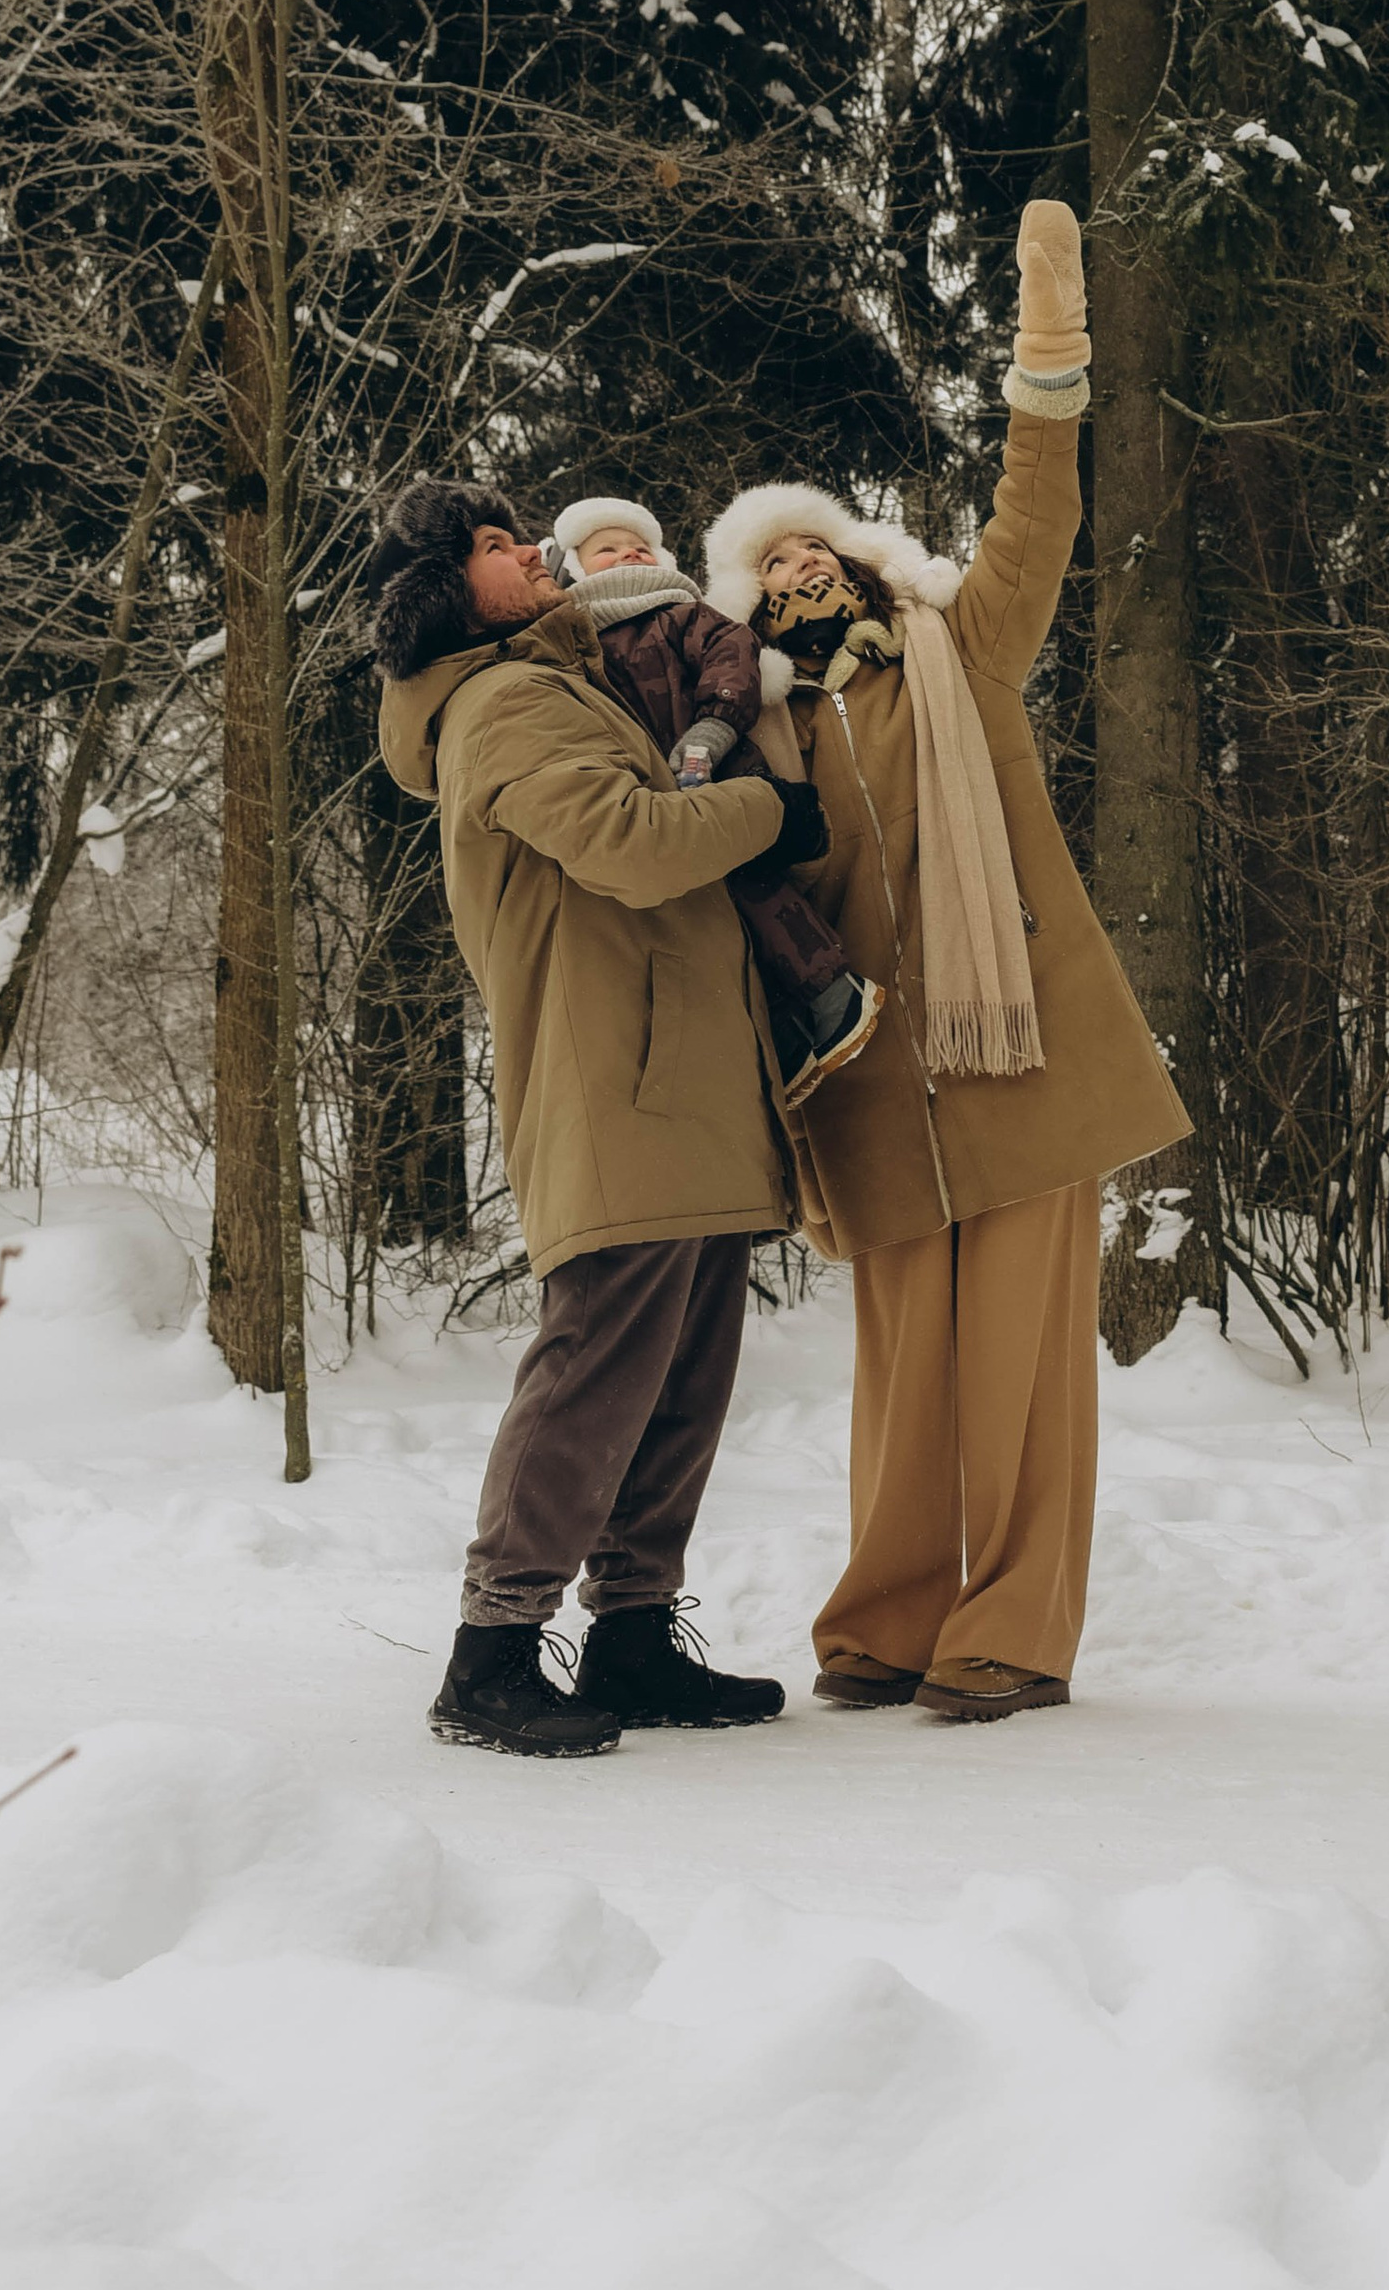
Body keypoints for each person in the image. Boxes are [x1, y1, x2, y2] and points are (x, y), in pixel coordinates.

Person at [700, 201, 1191, 1722]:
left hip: (1025, 1050)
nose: (794, 575)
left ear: (862, 560)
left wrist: (1052, 343)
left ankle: (1013, 1633)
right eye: (764, 569)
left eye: (812, 550)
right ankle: (890, 1619)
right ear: (746, 611)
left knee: (1026, 1368)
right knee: (908, 1367)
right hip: (868, 1075)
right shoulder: (752, 741)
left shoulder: (962, 651)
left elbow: (1036, 515)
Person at [366, 481, 825, 1759]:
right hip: (608, 1071)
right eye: (501, 545)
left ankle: (630, 1631)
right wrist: (767, 816)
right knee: (598, 1363)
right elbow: (623, 842)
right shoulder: (502, 702)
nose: (533, 551)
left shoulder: (562, 683)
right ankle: (492, 1653)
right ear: (455, 588)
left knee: (682, 1370)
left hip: (677, 1069)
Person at [551, 497, 885, 1091]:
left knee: (762, 895)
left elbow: (733, 655)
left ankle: (834, 993)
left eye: (639, 545)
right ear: (573, 567)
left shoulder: (680, 613)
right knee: (706, 928)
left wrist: (716, 722)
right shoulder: (572, 648)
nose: (629, 552)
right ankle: (783, 1040)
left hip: (720, 772)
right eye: (606, 547)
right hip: (646, 803)